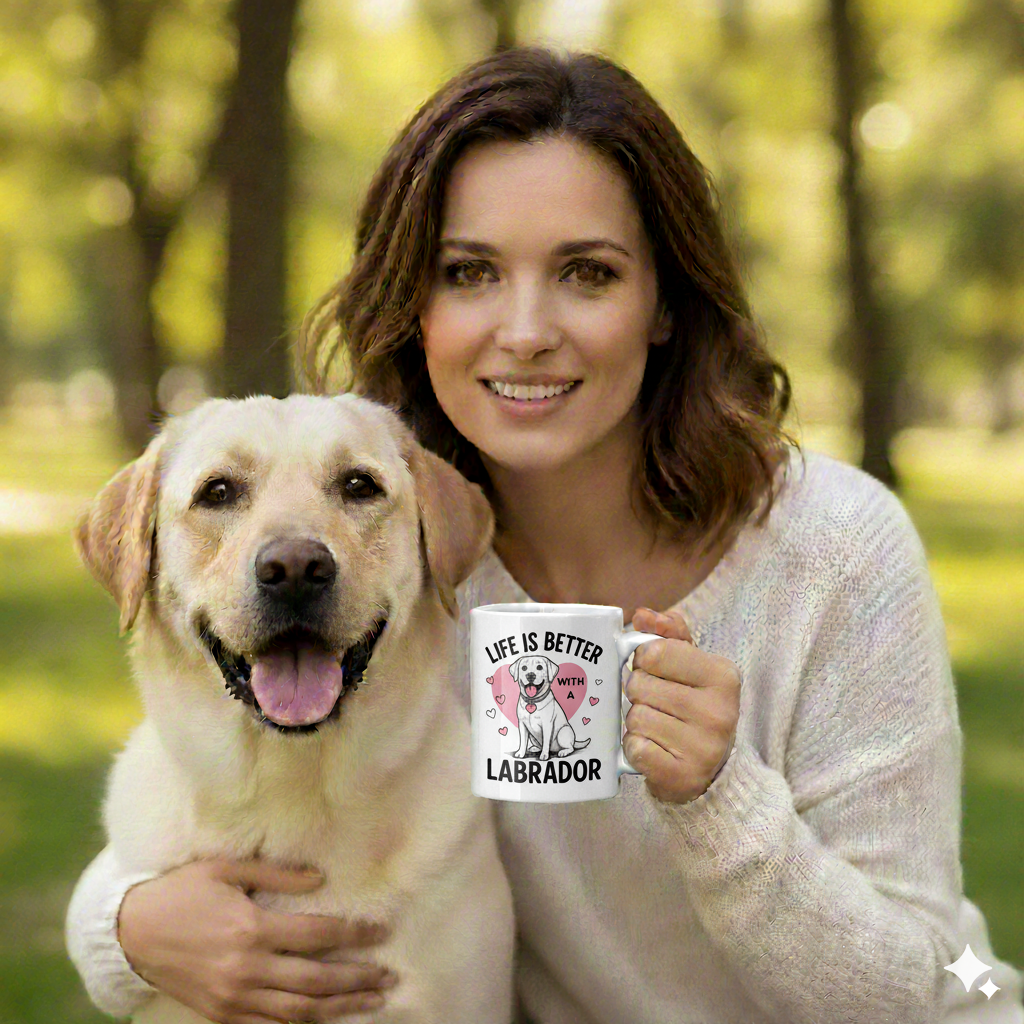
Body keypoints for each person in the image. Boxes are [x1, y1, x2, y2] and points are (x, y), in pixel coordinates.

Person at [66, 46, 1023, 1024]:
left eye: (586, 272)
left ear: (661, 304)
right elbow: (186, 802)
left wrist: (717, 800)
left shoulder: (835, 550)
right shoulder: (395, 551)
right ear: (417, 306)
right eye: (469, 271)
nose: (525, 330)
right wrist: (126, 928)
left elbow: (931, 977)